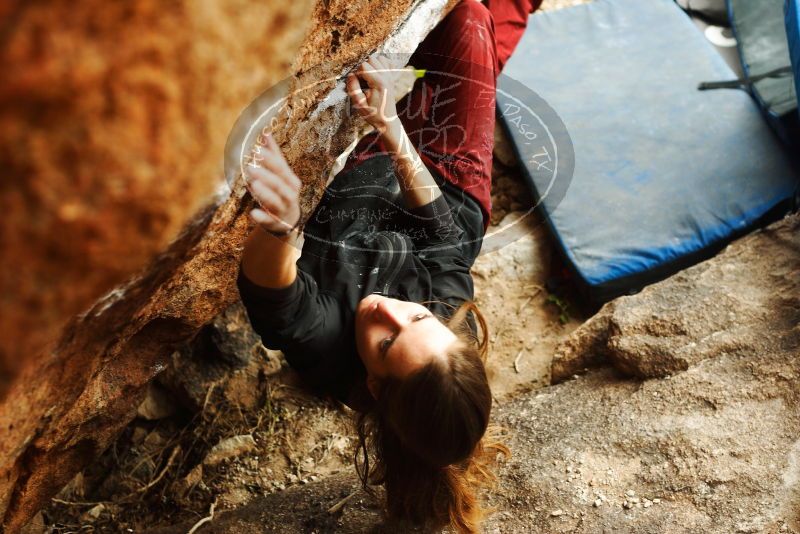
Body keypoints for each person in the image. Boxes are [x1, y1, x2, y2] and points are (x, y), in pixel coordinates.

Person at [237, 1, 538, 531]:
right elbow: (444, 236)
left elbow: (276, 300)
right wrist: (390, 124)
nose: (387, 310)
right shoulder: (450, 326)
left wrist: (281, 230)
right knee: (470, 20)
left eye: (386, 343)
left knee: (481, 21)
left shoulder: (330, 355)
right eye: (418, 317)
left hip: (362, 183)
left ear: (374, 385)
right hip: (448, 179)